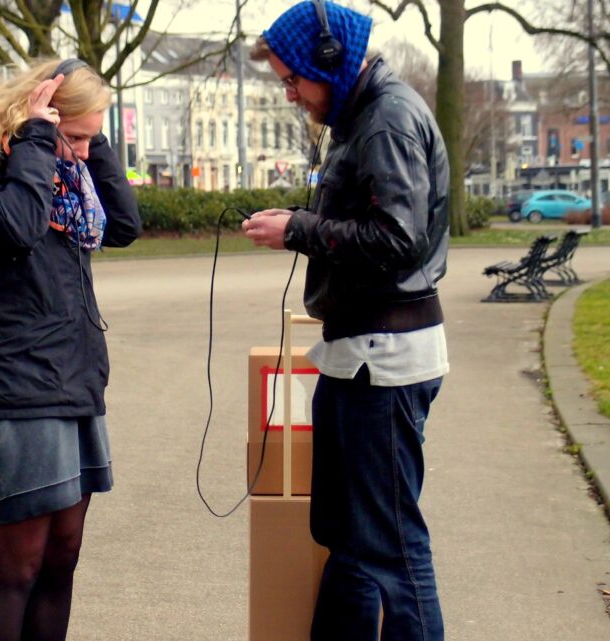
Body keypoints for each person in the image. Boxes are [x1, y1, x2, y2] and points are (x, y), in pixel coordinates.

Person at [241, 2, 450, 640]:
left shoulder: (386, 120)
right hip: (361, 353)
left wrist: (298, 229)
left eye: (292, 79)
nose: (290, 94)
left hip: (383, 358)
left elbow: (398, 238)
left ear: (327, 61)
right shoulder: (363, 117)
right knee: (347, 535)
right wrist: (301, 224)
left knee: (389, 544)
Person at [0, 59, 141, 641]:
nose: (81, 153)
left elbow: (124, 224)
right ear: (36, 118)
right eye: (74, 137)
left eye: (90, 139)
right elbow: (18, 227)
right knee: (16, 568)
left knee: (59, 561)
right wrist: (37, 139)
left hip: (73, 377)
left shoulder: (66, 173)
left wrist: (89, 141)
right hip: (10, 379)